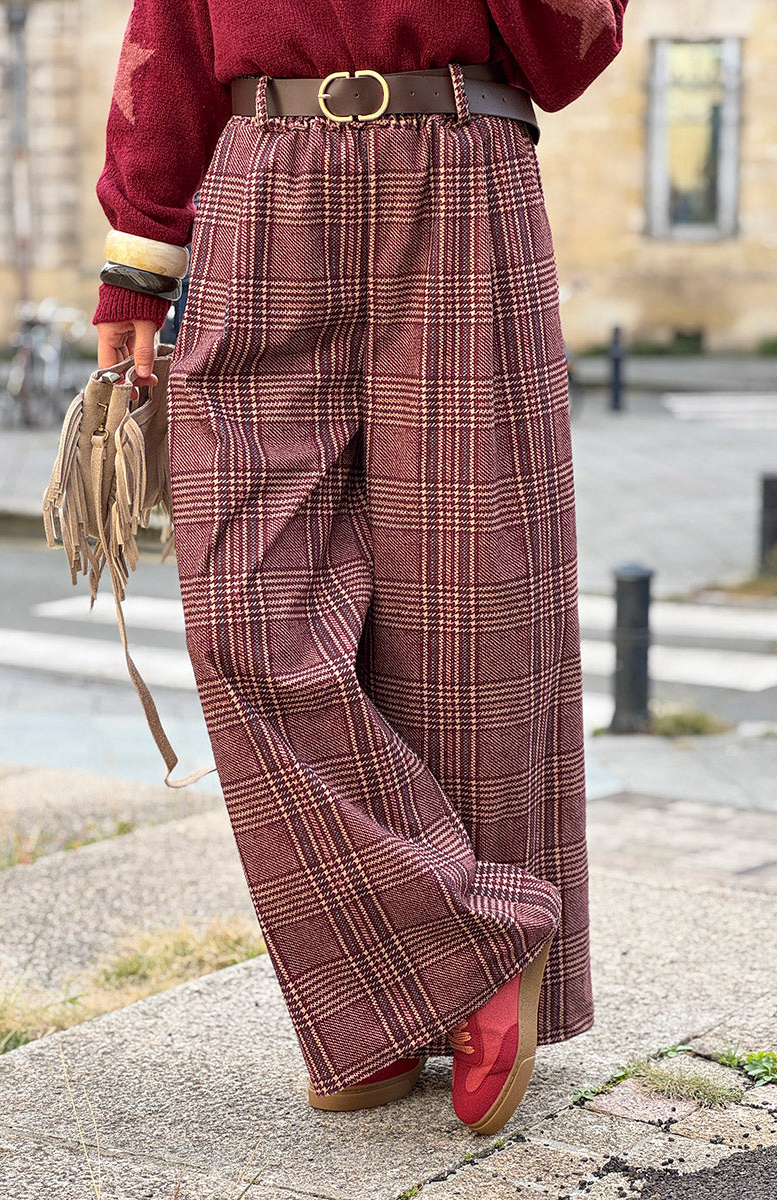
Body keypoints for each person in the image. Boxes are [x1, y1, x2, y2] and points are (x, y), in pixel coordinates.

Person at [94, 0, 628, 1136]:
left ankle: (396, 1009)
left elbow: (570, 50)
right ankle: (467, 940)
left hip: (459, 171)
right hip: (262, 179)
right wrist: (135, 264)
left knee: (466, 609)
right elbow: (168, 36)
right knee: (241, 608)